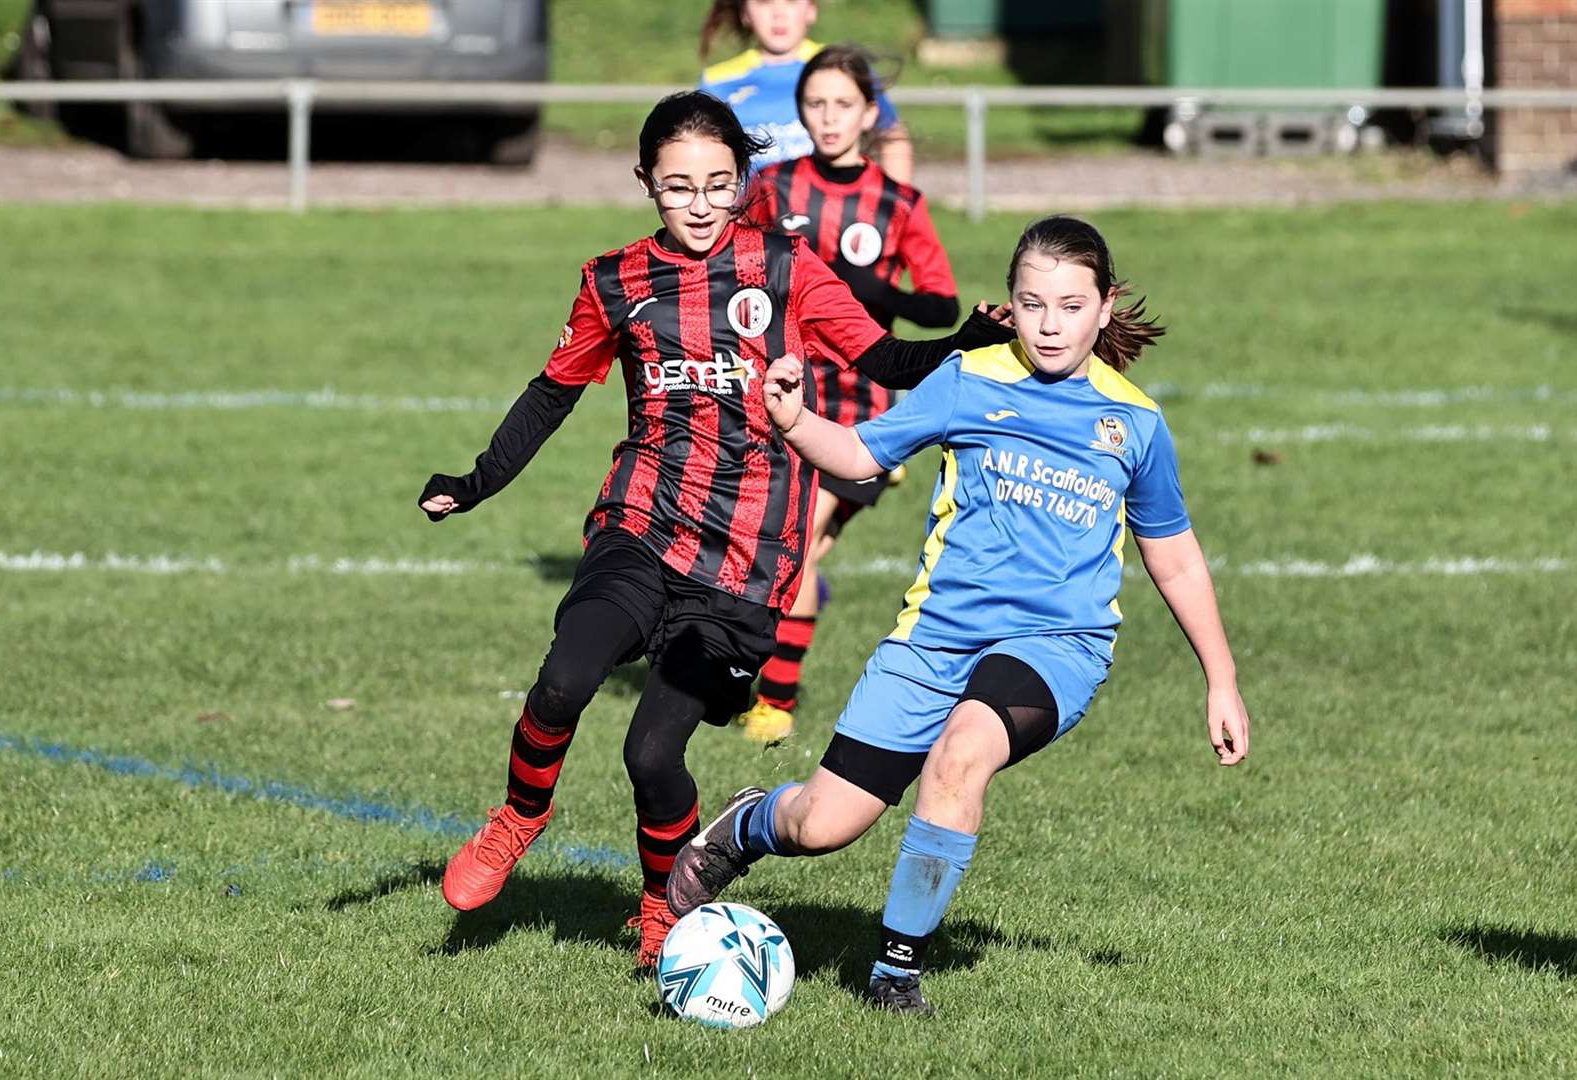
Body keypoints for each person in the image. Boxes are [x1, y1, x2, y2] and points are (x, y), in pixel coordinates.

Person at [416, 90, 1011, 971]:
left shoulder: (786, 266)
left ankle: (661, 906)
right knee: (563, 678)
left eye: (718, 184)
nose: (698, 203)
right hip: (640, 525)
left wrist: (966, 336)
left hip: (748, 559)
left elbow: (881, 358)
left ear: (742, 184)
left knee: (652, 752)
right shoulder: (614, 280)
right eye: (678, 185)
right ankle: (517, 819)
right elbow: (553, 394)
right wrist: (475, 482)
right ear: (647, 183)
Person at [667, 215, 1252, 1013]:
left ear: (1107, 307)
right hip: (936, 639)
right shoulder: (967, 378)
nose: (1052, 324)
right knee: (823, 825)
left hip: (1057, 646)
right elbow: (863, 455)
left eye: (1073, 305)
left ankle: (894, 975)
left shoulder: (1135, 424)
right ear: (1008, 304)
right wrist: (795, 421)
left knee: (962, 752)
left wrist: (1220, 679)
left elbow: (1174, 555)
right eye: (1034, 303)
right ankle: (746, 824)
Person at [735, 44, 959, 744]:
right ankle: (748, 678)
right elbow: (733, 269)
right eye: (815, 105)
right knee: (786, 556)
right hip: (782, 392)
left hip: (863, 410)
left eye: (842, 106)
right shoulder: (772, 186)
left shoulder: (897, 203)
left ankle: (773, 705)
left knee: (790, 546)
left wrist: (873, 292)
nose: (828, 119)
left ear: (870, 114)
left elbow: (939, 306)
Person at [698, 0, 914, 182]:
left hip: (829, 221)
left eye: (791, 1)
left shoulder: (841, 67)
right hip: (750, 224)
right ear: (745, 12)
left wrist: (895, 209)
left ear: (811, 9)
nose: (778, 14)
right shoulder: (719, 82)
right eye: (764, 1)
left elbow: (892, 136)